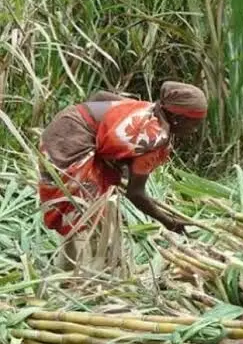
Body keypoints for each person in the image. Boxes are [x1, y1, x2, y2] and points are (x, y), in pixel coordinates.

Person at [39, 81, 207, 269]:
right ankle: (79, 276)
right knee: (87, 214)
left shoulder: (148, 109)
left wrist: (105, 137)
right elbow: (136, 194)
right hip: (69, 141)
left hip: (68, 120)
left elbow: (100, 96)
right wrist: (170, 222)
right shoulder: (153, 139)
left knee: (90, 210)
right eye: (194, 124)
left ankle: (72, 271)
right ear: (178, 119)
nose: (194, 131)